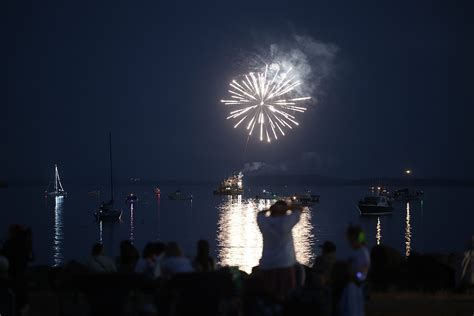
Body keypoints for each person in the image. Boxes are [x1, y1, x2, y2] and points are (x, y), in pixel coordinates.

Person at [255, 200, 303, 300]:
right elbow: (299, 209)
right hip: (285, 264)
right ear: (285, 212)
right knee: (288, 292)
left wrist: (270, 209)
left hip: (267, 264)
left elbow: (259, 213)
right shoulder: (287, 221)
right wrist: (287, 208)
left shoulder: (264, 221)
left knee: (269, 295)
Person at [339, 225, 370, 316]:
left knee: (354, 310)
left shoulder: (363, 253)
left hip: (355, 286)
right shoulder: (354, 251)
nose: (349, 241)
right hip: (350, 285)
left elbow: (363, 273)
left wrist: (355, 275)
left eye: (350, 239)